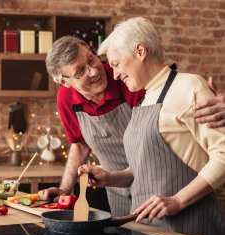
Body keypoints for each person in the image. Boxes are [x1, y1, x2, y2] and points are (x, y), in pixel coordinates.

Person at [39, 35, 225, 217]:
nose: (95, 72)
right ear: (64, 82)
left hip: (165, 188)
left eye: (91, 59)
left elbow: (173, 101)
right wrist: (65, 188)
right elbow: (80, 144)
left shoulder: (127, 79)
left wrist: (205, 98)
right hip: (116, 190)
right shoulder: (65, 98)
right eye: (80, 72)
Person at [91, 17, 225, 235]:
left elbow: (223, 155)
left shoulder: (189, 87)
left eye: (116, 64)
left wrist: (178, 201)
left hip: (191, 230)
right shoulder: (145, 98)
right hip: (148, 232)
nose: (114, 75)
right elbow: (148, 167)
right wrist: (111, 178)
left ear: (140, 51)